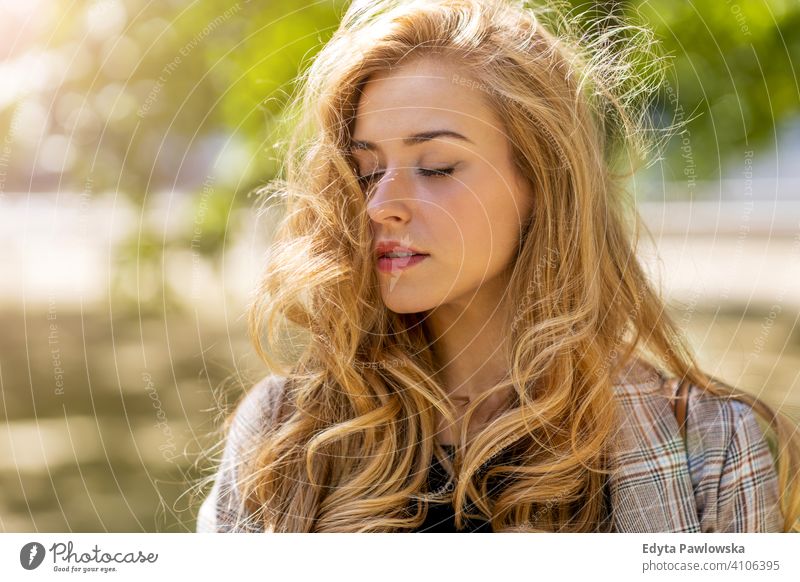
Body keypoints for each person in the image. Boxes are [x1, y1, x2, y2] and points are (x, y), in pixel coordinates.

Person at [196, 0, 800, 533]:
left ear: (540, 181)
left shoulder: (712, 446)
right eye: (366, 170)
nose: (380, 206)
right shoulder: (284, 432)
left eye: (436, 166)